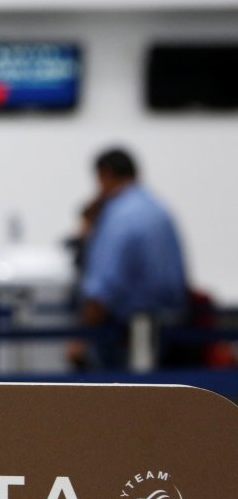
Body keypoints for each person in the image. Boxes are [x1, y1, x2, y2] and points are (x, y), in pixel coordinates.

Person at [70, 148, 188, 369]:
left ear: (104, 175)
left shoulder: (118, 217)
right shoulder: (158, 210)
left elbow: (102, 286)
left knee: (116, 399)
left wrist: (81, 338)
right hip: (169, 329)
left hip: (126, 332)